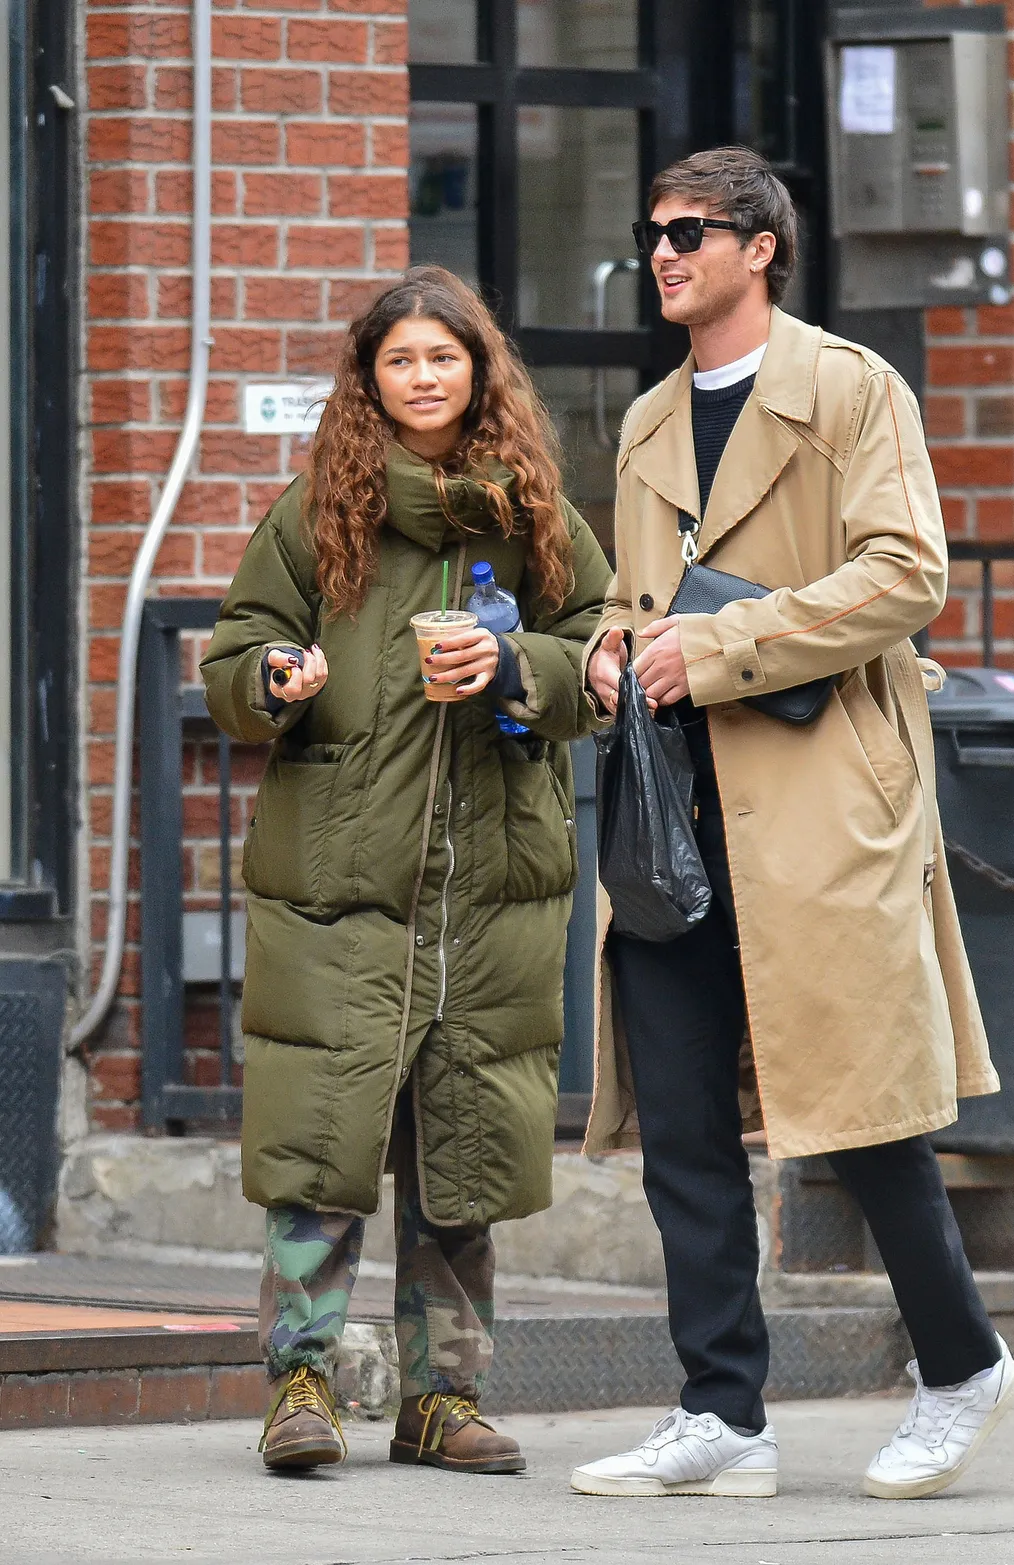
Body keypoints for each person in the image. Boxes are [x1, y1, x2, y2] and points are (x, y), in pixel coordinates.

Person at [571, 148, 1014, 1502]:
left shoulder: (847, 388)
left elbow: (905, 572)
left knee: (866, 1105)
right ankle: (723, 1411)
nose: (664, 252)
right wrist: (609, 646)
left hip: (822, 795)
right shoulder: (652, 419)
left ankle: (961, 1366)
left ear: (762, 245)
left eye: (691, 230)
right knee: (688, 1121)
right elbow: (638, 593)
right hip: (676, 805)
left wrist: (715, 649)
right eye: (651, 231)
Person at [201, 267, 611, 1475]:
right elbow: (235, 648)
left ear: (479, 371)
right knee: (319, 1140)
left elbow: (598, 650)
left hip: (488, 878)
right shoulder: (317, 506)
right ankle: (303, 1386)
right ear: (369, 379)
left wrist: (511, 664)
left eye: (446, 356)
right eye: (401, 359)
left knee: (463, 1147)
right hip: (337, 873)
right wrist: (274, 677)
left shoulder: (532, 511)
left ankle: (442, 1397)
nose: (425, 377)